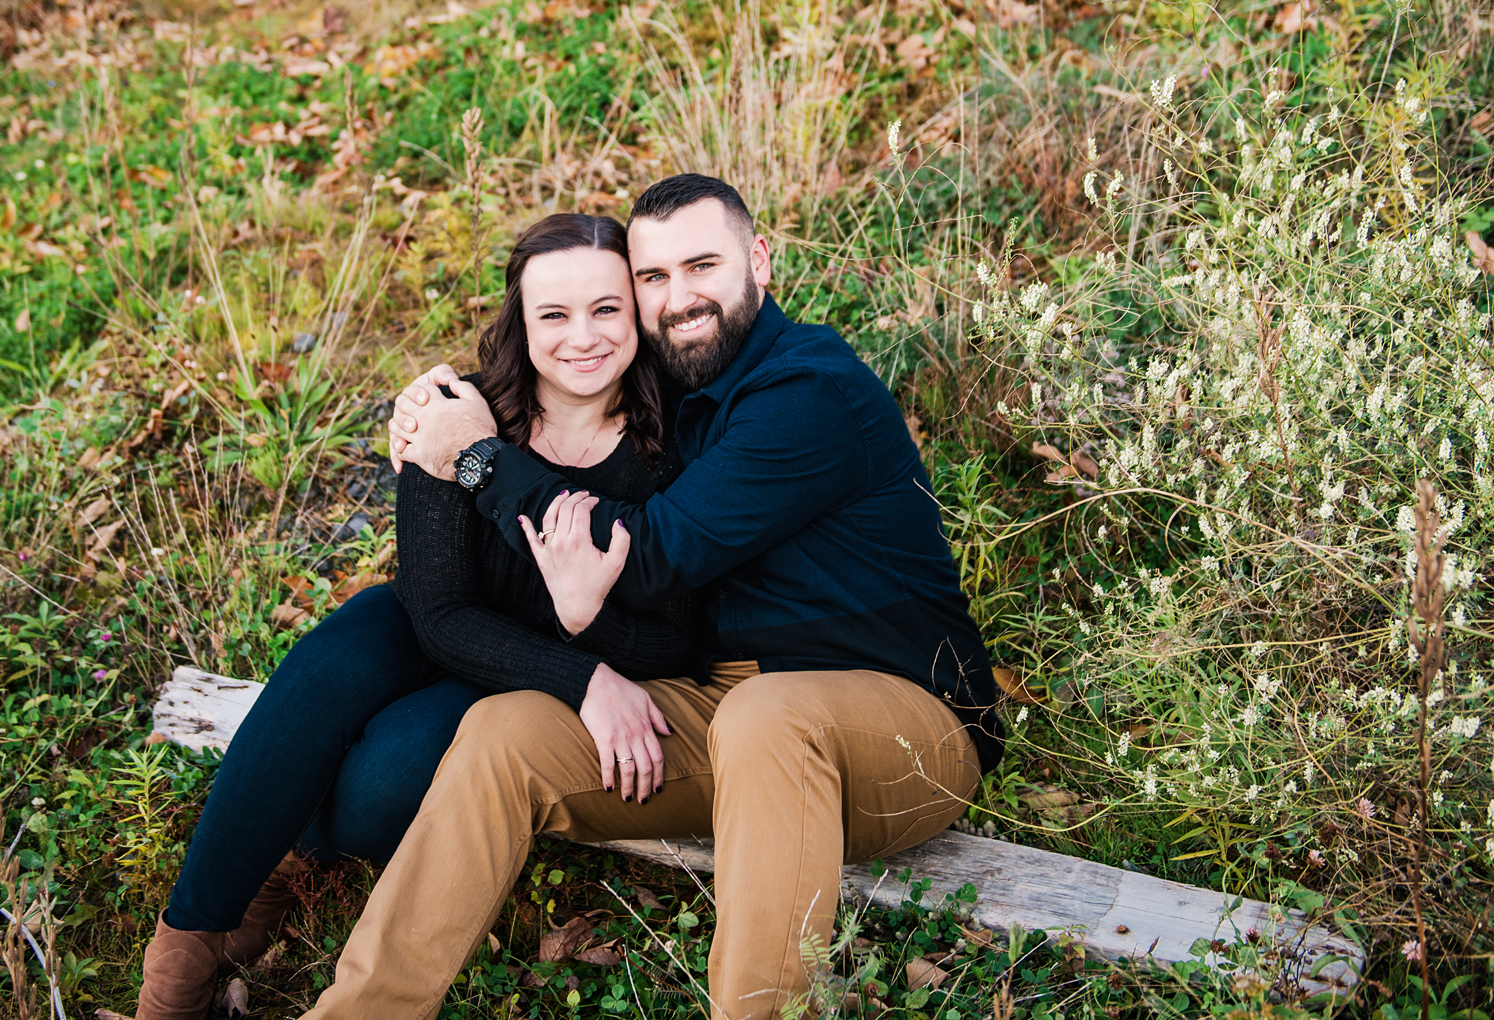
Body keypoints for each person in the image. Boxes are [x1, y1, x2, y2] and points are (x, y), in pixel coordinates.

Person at [343, 173, 1002, 1020]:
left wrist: (475, 459)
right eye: (653, 278)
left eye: (703, 265)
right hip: (726, 705)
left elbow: (645, 554)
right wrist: (427, 407)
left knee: (769, 717)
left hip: (910, 728)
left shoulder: (809, 392)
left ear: (759, 260)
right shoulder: (680, 382)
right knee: (506, 730)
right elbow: (566, 369)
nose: (679, 298)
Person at [127, 213, 693, 1020]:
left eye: (606, 309)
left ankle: (285, 848)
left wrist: (581, 657)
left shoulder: (672, 444)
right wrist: (586, 672)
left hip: (522, 674)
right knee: (332, 663)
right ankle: (174, 982)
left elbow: (679, 630)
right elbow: (439, 613)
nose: (584, 338)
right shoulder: (460, 414)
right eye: (554, 315)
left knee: (375, 788)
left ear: (636, 309)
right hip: (440, 627)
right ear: (519, 321)